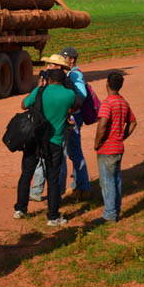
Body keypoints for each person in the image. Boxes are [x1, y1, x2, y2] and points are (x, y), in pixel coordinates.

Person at [14, 69, 80, 227]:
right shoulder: (69, 94)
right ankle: (53, 217)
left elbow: (23, 105)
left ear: (49, 79)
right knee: (53, 179)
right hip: (54, 142)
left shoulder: (40, 91)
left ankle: (20, 209)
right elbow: (77, 105)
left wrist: (38, 89)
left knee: (26, 174)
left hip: (34, 140)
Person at [94, 72, 137, 223]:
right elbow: (133, 122)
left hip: (107, 149)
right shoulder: (123, 102)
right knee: (116, 179)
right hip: (118, 147)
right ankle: (115, 210)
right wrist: (122, 136)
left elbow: (103, 124)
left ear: (107, 84)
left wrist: (97, 142)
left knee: (107, 182)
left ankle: (110, 214)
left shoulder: (107, 103)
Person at [29, 55, 70, 201]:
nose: (47, 67)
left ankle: (56, 190)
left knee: (57, 161)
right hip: (50, 129)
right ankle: (39, 190)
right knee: (45, 159)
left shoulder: (64, 85)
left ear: (58, 67)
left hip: (56, 130)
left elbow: (26, 103)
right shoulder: (51, 84)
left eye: (51, 65)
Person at [59, 46, 91, 201]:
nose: (62, 60)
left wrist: (71, 111)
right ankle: (78, 185)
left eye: (64, 57)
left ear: (71, 59)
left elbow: (82, 95)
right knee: (73, 152)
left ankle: (84, 187)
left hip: (74, 118)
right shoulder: (72, 74)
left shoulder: (75, 75)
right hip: (74, 117)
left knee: (75, 152)